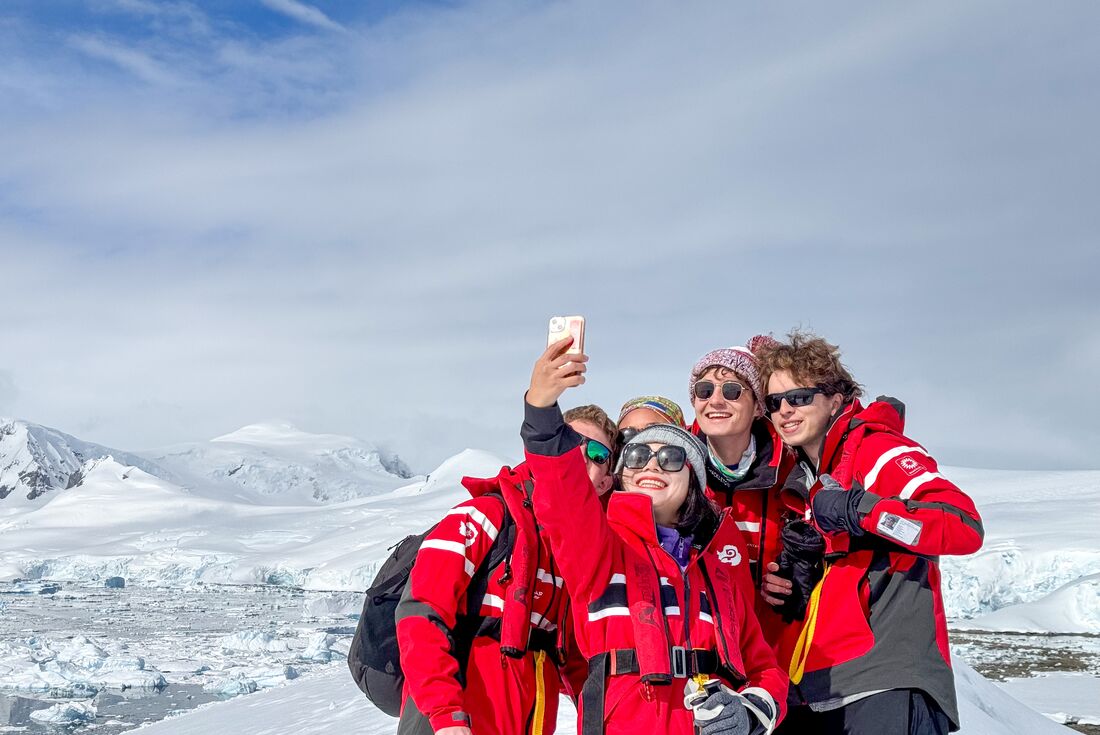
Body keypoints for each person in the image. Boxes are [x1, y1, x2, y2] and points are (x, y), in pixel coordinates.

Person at [523, 338, 787, 735]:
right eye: (636, 455)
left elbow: (764, 668)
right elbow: (561, 492)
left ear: (693, 480)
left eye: (672, 457)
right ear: (622, 476)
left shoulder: (716, 576)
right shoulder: (599, 549)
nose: (653, 463)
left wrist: (748, 711)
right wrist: (541, 409)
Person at [756, 331, 984, 735]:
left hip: (886, 681)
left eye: (800, 397)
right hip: (821, 689)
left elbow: (962, 525)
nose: (785, 410)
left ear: (836, 398)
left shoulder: (878, 451)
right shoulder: (804, 480)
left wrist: (858, 509)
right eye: (775, 402)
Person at [395, 403, 616, 735]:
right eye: (568, 439)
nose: (580, 454)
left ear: (604, 483)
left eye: (598, 453)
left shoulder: (577, 558)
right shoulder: (483, 516)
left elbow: (578, 664)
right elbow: (420, 612)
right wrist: (446, 716)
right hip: (454, 724)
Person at [687, 339, 812, 663]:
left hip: (774, 660)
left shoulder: (793, 469)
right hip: (698, 659)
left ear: (758, 406)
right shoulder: (677, 466)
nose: (715, 400)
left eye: (732, 391)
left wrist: (798, 577)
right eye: (704, 390)